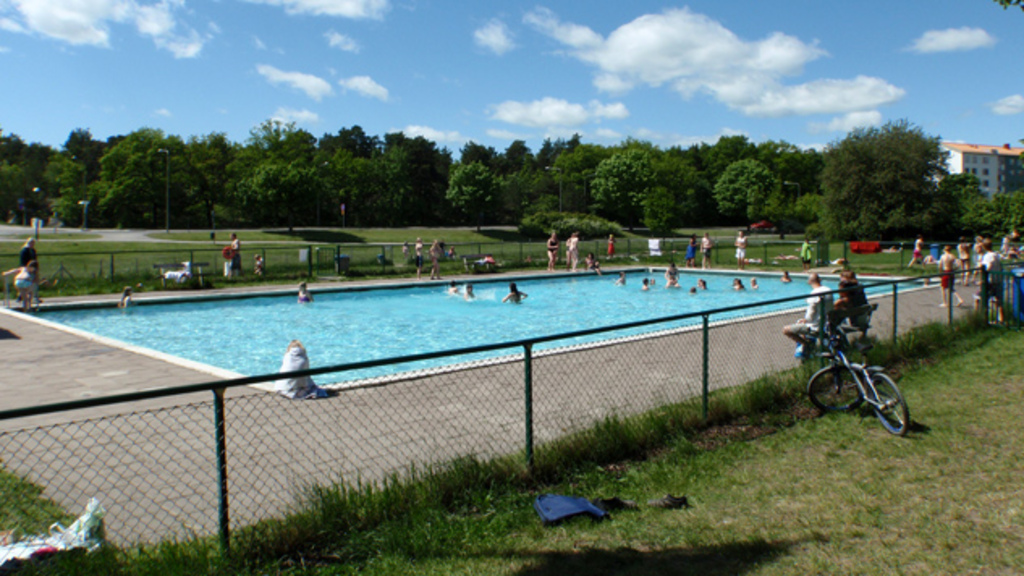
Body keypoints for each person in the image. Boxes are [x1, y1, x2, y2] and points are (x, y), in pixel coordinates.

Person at [783, 273, 833, 360]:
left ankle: (806, 345)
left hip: (816, 327)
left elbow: (810, 317)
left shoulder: (814, 294)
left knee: (786, 330)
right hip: (828, 323)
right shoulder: (828, 290)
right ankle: (808, 346)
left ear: (809, 282)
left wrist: (805, 320)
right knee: (802, 325)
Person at [978, 238, 1004, 323]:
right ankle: (1000, 319)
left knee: (981, 298)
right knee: (999, 300)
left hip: (990, 281)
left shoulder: (987, 256)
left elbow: (988, 267)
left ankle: (983, 319)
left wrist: (983, 274)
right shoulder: (996, 254)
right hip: (998, 279)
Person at [19, 238, 40, 306]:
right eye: (32, 243)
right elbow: (23, 261)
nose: (33, 245)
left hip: (33, 268)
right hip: (26, 269)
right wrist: (26, 268)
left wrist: (36, 268)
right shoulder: (24, 251)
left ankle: (34, 296)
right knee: (28, 282)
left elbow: (35, 260)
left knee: (34, 282)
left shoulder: (33, 250)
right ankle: (22, 296)